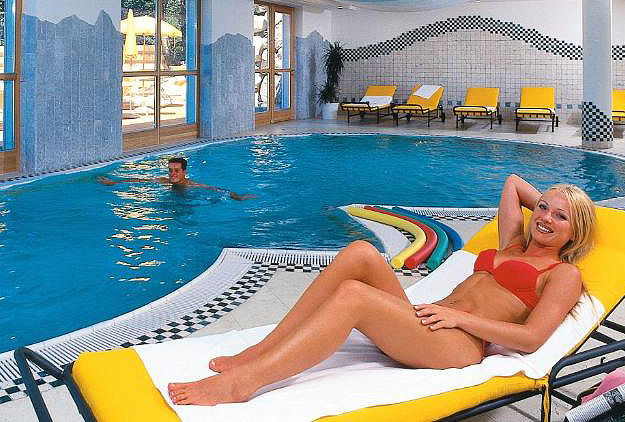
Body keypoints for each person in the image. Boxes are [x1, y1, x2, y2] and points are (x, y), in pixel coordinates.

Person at [167, 173, 595, 406]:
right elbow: (513, 183)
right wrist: (556, 205)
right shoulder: (512, 244)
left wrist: (460, 318)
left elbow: (531, 338)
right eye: (543, 208)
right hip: (427, 322)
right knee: (361, 252)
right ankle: (260, 350)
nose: (545, 218)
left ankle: (245, 383)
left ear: (576, 232)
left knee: (353, 296)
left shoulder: (562, 274)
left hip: (459, 344)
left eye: (560, 218)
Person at [96, 157, 256, 201]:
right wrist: (115, 182)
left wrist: (238, 197)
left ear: (184, 172)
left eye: (176, 171)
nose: (172, 174)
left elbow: (219, 190)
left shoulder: (193, 186)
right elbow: (139, 180)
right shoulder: (164, 181)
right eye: (170, 170)